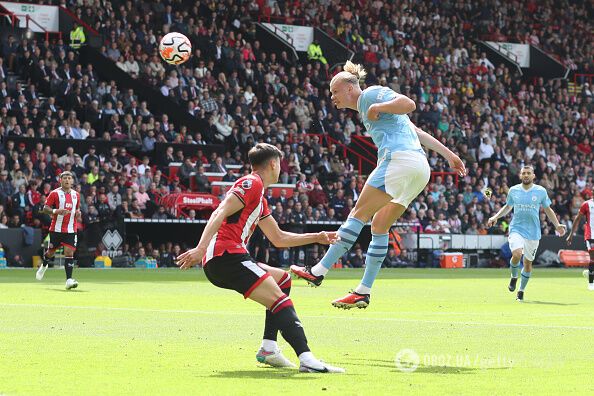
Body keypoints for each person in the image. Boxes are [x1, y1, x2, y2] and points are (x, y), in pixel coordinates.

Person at [290, 60, 466, 309]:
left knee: (358, 214)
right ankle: (363, 291)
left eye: (335, 92)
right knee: (380, 225)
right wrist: (450, 155)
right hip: (419, 169)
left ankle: (318, 271)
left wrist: (379, 105)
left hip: (399, 160)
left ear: (349, 88)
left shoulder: (370, 95)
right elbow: (413, 129)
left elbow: (409, 104)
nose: (332, 98)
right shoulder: (366, 108)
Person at [175, 143, 344, 373]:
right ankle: (307, 359)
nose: (281, 169)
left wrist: (318, 236)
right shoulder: (251, 183)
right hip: (226, 255)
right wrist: (200, 248)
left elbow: (278, 238)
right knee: (280, 301)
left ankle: (268, 348)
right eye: (280, 164)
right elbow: (219, 211)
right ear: (273, 163)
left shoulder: (259, 196)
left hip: (231, 256)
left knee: (283, 280)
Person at [487, 165, 567, 301]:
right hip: (516, 228)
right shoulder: (513, 190)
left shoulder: (540, 191)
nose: (525, 175)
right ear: (520, 175)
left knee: (528, 264)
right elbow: (508, 207)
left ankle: (521, 291)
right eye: (523, 173)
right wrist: (495, 217)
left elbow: (548, 209)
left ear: (533, 176)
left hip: (533, 232)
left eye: (528, 173)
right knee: (517, 253)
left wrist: (557, 224)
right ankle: (513, 277)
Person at [35, 171, 81, 290]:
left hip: (71, 229)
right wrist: (56, 211)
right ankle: (44, 266)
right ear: (60, 180)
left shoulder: (76, 195)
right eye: (64, 178)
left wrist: (78, 213)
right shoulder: (54, 193)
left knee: (69, 253)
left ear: (72, 181)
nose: (67, 180)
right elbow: (45, 208)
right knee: (50, 252)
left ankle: (69, 280)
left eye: (69, 178)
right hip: (56, 229)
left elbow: (77, 209)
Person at [565, 197, 594, 290]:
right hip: (591, 235)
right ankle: (591, 283)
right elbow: (577, 219)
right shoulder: (586, 204)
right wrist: (571, 235)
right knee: (593, 257)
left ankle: (589, 272)